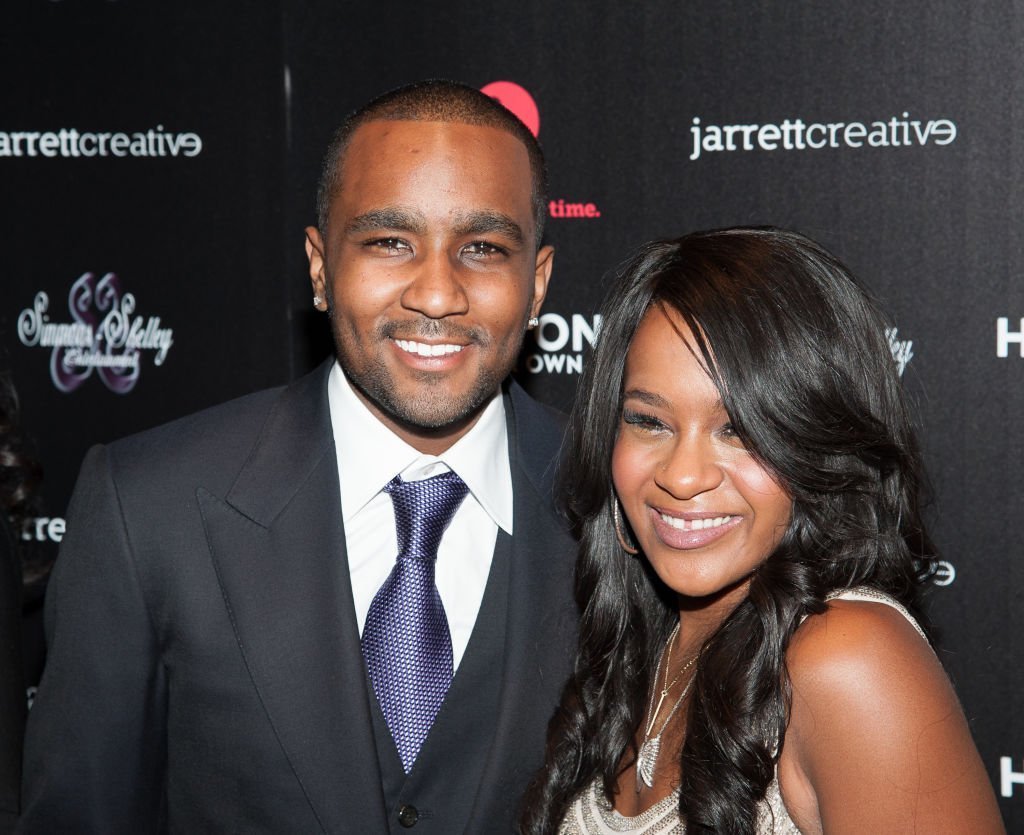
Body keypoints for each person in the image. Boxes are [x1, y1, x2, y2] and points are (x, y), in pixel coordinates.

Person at [20, 80, 577, 833]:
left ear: (536, 282)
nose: (438, 294)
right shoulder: (146, 509)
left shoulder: (621, 507)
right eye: (389, 242)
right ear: (320, 267)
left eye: (482, 248)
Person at [521, 228, 1005, 834]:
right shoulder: (643, 646)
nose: (682, 475)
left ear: (816, 446)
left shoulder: (846, 658)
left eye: (738, 430)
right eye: (649, 421)